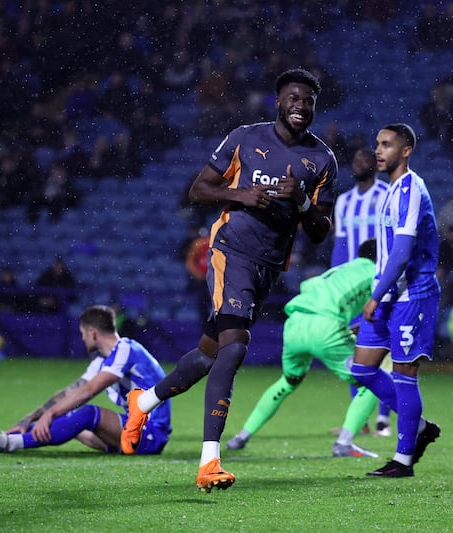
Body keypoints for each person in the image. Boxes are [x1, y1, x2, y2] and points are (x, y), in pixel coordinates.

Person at [121, 68, 337, 493]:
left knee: (209, 353)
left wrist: (301, 200)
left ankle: (142, 401)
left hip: (268, 266)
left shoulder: (323, 160)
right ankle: (209, 461)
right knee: (235, 348)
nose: (301, 105)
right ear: (278, 101)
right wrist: (239, 195)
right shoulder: (245, 137)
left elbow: (319, 230)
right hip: (229, 252)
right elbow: (198, 191)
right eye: (294, 98)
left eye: (308, 100)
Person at [225, 239, 380, 458]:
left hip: (295, 323)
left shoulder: (338, 271)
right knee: (371, 382)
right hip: (325, 326)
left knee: (288, 382)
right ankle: (344, 443)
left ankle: (240, 436)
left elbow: (309, 286)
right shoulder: (376, 272)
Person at [0, 305, 172, 455]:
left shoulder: (125, 348)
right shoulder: (104, 360)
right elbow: (68, 393)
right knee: (71, 422)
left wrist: (51, 414)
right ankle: (0, 439)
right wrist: (27, 419)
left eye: (83, 334)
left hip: (151, 433)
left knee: (88, 414)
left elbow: (89, 391)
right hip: (130, 432)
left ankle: (10, 444)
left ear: (92, 333)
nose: (82, 339)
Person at [349, 124, 441, 478]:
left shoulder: (412, 190)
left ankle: (403, 460)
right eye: (377, 144)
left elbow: (401, 254)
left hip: (412, 296)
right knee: (361, 369)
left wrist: (373, 297)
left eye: (386, 145)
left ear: (406, 150)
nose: (378, 150)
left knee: (404, 374)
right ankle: (418, 428)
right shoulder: (389, 190)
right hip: (387, 296)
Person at [330, 147, 393, 437]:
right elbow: (340, 247)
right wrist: (335, 281)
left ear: (375, 165)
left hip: (380, 284)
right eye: (355, 159)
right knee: (353, 353)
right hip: (353, 288)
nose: (359, 163)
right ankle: (363, 421)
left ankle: (383, 417)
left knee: (379, 349)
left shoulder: (386, 195)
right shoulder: (343, 202)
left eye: (365, 159)